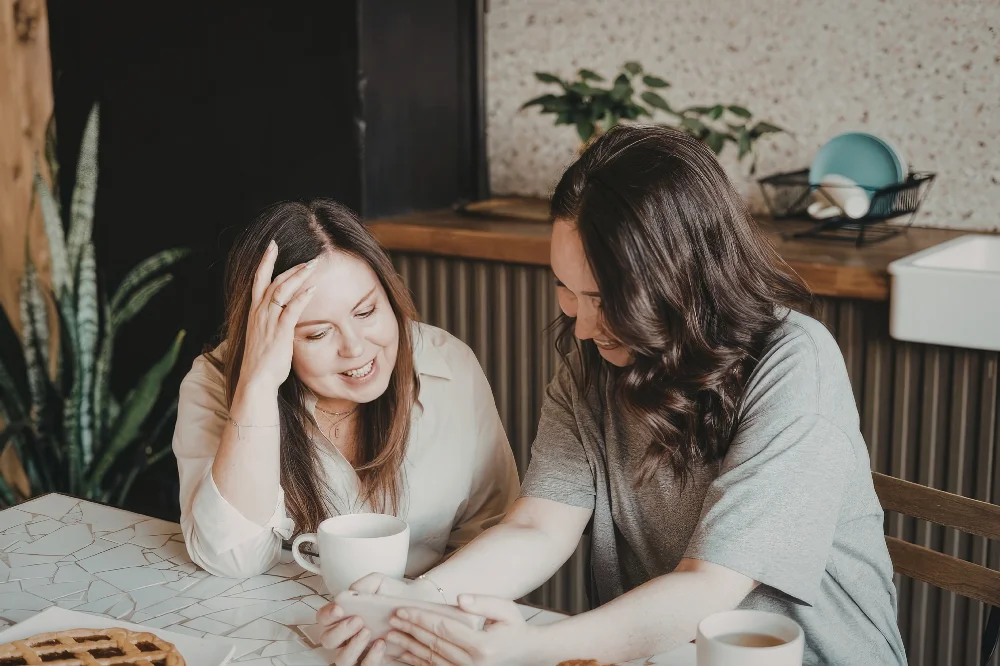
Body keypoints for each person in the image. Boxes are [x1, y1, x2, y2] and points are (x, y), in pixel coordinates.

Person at [319, 126, 908, 666]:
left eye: (603, 298)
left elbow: (712, 582)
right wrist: (417, 604)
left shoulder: (793, 362)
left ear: (681, 279)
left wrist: (533, 647)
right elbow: (538, 527)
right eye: (566, 291)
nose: (579, 324)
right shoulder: (591, 368)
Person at [172, 200, 520, 665]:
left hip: (428, 636)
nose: (355, 348)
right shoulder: (216, 384)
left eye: (366, 311)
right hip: (273, 642)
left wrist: (419, 617)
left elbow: (494, 529)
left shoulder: (448, 365)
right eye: (316, 335)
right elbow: (227, 557)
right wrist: (257, 386)